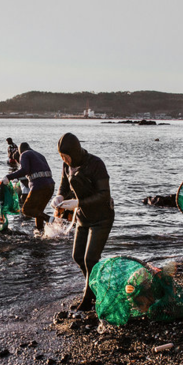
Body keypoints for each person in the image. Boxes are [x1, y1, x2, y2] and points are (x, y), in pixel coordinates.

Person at [51, 133, 114, 311]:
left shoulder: (96, 164)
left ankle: (88, 299)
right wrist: (59, 197)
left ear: (75, 152)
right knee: (78, 256)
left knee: (91, 259)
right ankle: (94, 289)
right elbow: (64, 185)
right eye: (61, 156)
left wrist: (78, 202)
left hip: (102, 218)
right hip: (82, 217)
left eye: (66, 156)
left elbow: (104, 195)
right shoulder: (66, 165)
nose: (63, 159)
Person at [4, 142, 54, 231]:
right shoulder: (40, 155)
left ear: (20, 151)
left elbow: (24, 170)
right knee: (38, 211)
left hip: (39, 186)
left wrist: (9, 177)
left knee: (26, 210)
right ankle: (40, 231)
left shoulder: (24, 154)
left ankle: (50, 219)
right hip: (50, 186)